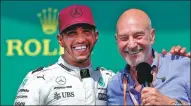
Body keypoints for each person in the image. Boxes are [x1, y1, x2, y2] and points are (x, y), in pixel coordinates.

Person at [14, 5, 189, 105]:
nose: (80, 39)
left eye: (86, 32)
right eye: (72, 33)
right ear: (60, 40)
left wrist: (171, 104)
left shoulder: (109, 79)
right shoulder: (38, 80)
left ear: (96, 36)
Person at [107, 8, 190, 105]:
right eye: (124, 38)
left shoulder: (182, 66)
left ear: (152, 36)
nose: (131, 45)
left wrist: (170, 103)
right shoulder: (114, 85)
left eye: (138, 36)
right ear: (117, 40)